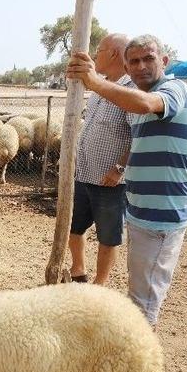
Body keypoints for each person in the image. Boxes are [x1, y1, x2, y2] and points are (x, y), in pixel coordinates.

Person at [67, 34, 187, 325]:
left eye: (148, 59)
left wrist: (95, 82)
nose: (140, 66)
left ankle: (136, 365)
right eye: (134, 61)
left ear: (164, 61)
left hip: (161, 216)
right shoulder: (134, 97)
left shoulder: (173, 89)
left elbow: (148, 104)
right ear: (126, 65)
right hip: (141, 211)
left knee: (143, 302)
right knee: (139, 291)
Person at [68, 33, 133, 285]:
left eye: (100, 50)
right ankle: (78, 270)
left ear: (115, 53)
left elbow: (136, 136)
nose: (96, 55)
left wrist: (118, 169)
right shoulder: (98, 88)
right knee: (74, 228)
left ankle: (100, 283)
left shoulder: (129, 91)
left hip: (110, 181)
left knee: (108, 236)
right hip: (84, 174)